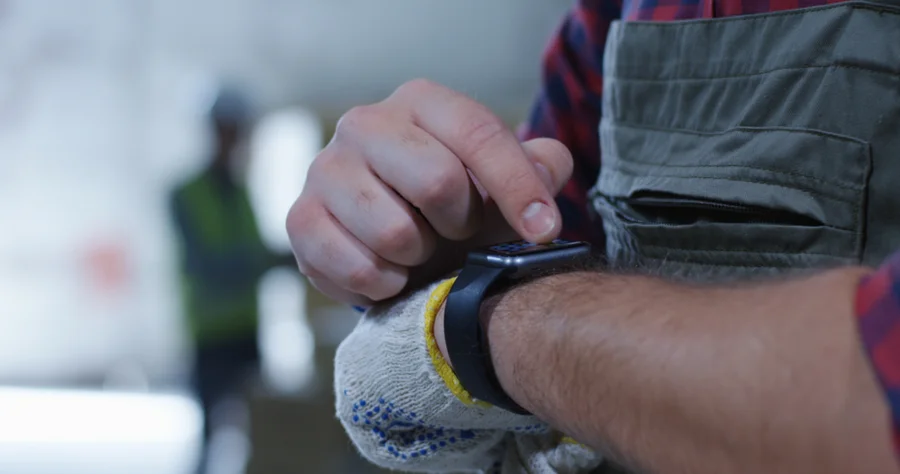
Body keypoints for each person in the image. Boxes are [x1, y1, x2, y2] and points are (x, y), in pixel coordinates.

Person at [287, 1, 900, 473]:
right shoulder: (618, 14)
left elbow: (878, 389)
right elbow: (534, 235)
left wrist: (491, 327)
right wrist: (412, 235)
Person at [170, 88, 286, 473]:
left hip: (246, 329)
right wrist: (265, 261)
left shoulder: (241, 193)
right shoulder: (185, 195)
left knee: (259, 431)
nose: (234, 139)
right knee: (210, 434)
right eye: (228, 129)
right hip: (210, 334)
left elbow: (251, 251)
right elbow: (209, 266)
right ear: (215, 130)